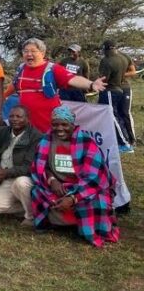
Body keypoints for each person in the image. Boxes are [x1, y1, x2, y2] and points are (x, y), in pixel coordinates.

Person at [30, 105, 119, 247]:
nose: (59, 128)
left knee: (97, 201)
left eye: (64, 124)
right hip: (58, 186)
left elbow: (93, 178)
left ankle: (90, 230)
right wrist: (52, 180)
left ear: (72, 124)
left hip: (82, 187)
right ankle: (53, 224)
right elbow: (42, 167)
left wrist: (73, 198)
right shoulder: (46, 141)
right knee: (38, 192)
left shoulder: (87, 142)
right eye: (55, 124)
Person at [4, 38, 105, 134]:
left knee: (48, 149)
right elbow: (14, 85)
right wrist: (2, 97)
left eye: (33, 51)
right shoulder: (21, 68)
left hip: (47, 124)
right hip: (26, 124)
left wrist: (91, 84)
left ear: (42, 53)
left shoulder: (52, 68)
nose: (29, 54)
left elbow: (73, 79)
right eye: (26, 51)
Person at [0, 105, 42, 226]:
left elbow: (29, 167)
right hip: (5, 178)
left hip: (24, 178)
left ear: (27, 119)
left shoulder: (36, 137)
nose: (14, 119)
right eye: (11, 116)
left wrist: (6, 173)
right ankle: (33, 208)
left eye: (19, 116)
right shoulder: (3, 132)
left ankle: (30, 217)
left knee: (21, 183)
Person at [98, 39, 136, 153]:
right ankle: (122, 139)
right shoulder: (119, 58)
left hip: (122, 87)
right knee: (116, 114)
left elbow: (133, 72)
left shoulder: (120, 57)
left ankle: (130, 140)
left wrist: (118, 74)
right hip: (118, 87)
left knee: (123, 113)